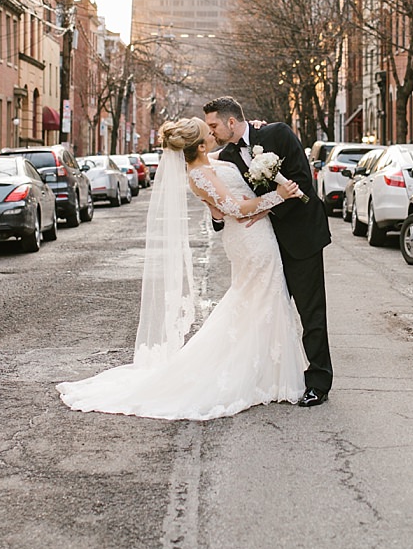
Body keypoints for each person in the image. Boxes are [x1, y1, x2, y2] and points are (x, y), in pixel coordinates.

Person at [55, 117, 307, 420]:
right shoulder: (199, 174)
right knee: (259, 297)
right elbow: (236, 210)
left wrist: (251, 129)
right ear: (199, 145)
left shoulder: (208, 161)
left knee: (261, 299)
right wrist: (280, 195)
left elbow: (236, 156)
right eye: (208, 132)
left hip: (255, 236)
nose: (214, 133)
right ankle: (265, 375)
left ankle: (270, 371)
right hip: (251, 242)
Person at [202, 95, 333, 407]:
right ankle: (267, 378)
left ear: (231, 121)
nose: (212, 132)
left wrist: (268, 209)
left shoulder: (278, 134)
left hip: (301, 237)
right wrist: (218, 213)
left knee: (311, 312)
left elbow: (302, 182)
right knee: (266, 314)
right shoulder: (226, 158)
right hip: (263, 247)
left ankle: (319, 382)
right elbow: (228, 201)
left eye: (214, 125)